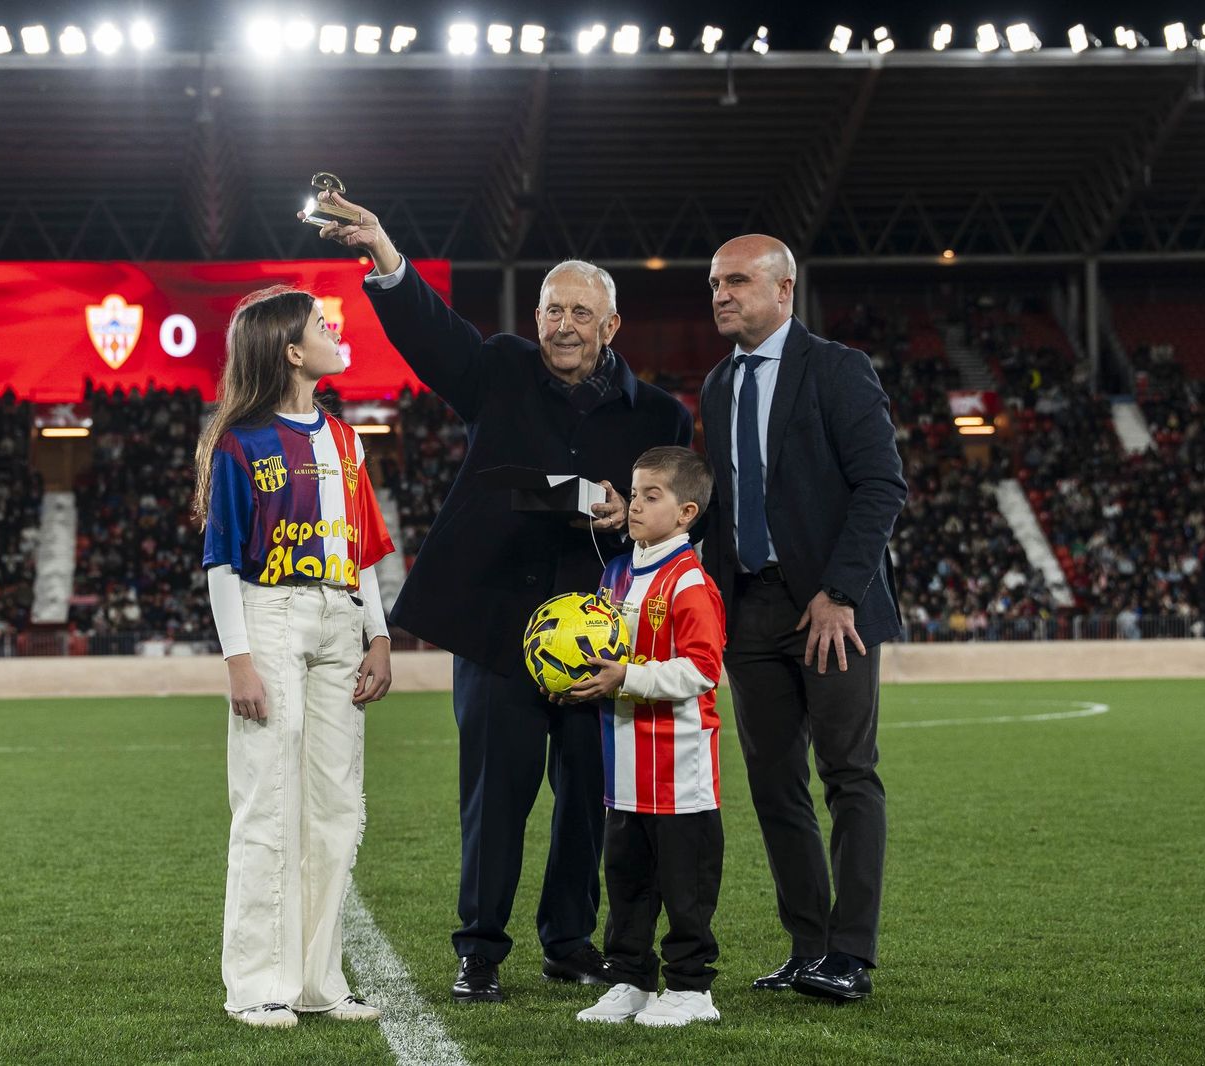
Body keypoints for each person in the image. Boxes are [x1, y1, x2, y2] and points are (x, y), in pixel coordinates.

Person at [305, 189, 693, 1002]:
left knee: (588, 801)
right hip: (496, 631)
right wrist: (383, 249)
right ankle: (478, 949)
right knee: (495, 801)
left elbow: (671, 516)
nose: (562, 325)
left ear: (611, 327)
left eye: (580, 313)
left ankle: (567, 941)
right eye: (553, 309)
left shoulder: (657, 415)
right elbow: (433, 334)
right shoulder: (503, 370)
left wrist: (627, 519)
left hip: (598, 640)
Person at [697, 235, 907, 1003]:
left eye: (738, 282)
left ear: (785, 290)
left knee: (849, 777)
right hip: (750, 608)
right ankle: (807, 946)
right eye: (716, 284)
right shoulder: (718, 384)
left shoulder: (838, 368)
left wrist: (841, 591)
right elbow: (723, 506)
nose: (721, 295)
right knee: (774, 785)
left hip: (832, 613)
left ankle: (850, 954)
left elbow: (881, 485)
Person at [194, 286, 396, 1028]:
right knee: (267, 802)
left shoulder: (346, 439)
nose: (332, 331)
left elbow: (364, 550)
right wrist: (238, 659)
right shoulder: (240, 441)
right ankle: (256, 985)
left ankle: (318, 980)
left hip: (339, 615)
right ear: (290, 350)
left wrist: (378, 634)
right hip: (269, 613)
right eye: (320, 325)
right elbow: (221, 562)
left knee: (337, 807)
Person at [557, 446, 728, 1028]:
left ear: (685, 513)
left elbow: (703, 669)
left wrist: (625, 677)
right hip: (625, 765)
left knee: (685, 885)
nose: (635, 506)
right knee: (626, 881)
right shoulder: (618, 572)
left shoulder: (689, 583)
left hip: (680, 770)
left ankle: (691, 988)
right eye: (634, 493)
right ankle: (629, 978)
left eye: (651, 497)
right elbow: (604, 648)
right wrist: (574, 676)